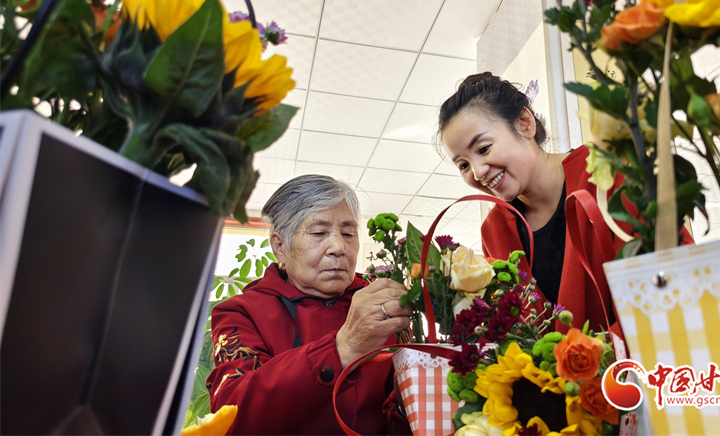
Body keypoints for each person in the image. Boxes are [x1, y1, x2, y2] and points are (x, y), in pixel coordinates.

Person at [437, 72, 691, 335]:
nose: (477, 172)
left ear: (524, 124)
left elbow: (677, 282)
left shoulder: (609, 174)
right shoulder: (495, 230)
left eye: (483, 149)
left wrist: (598, 351)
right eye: (463, 165)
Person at [206, 174, 412, 435]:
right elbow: (231, 415)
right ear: (280, 246)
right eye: (319, 233)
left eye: (348, 233)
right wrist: (342, 348)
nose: (339, 247)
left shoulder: (381, 305)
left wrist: (405, 405)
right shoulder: (241, 312)